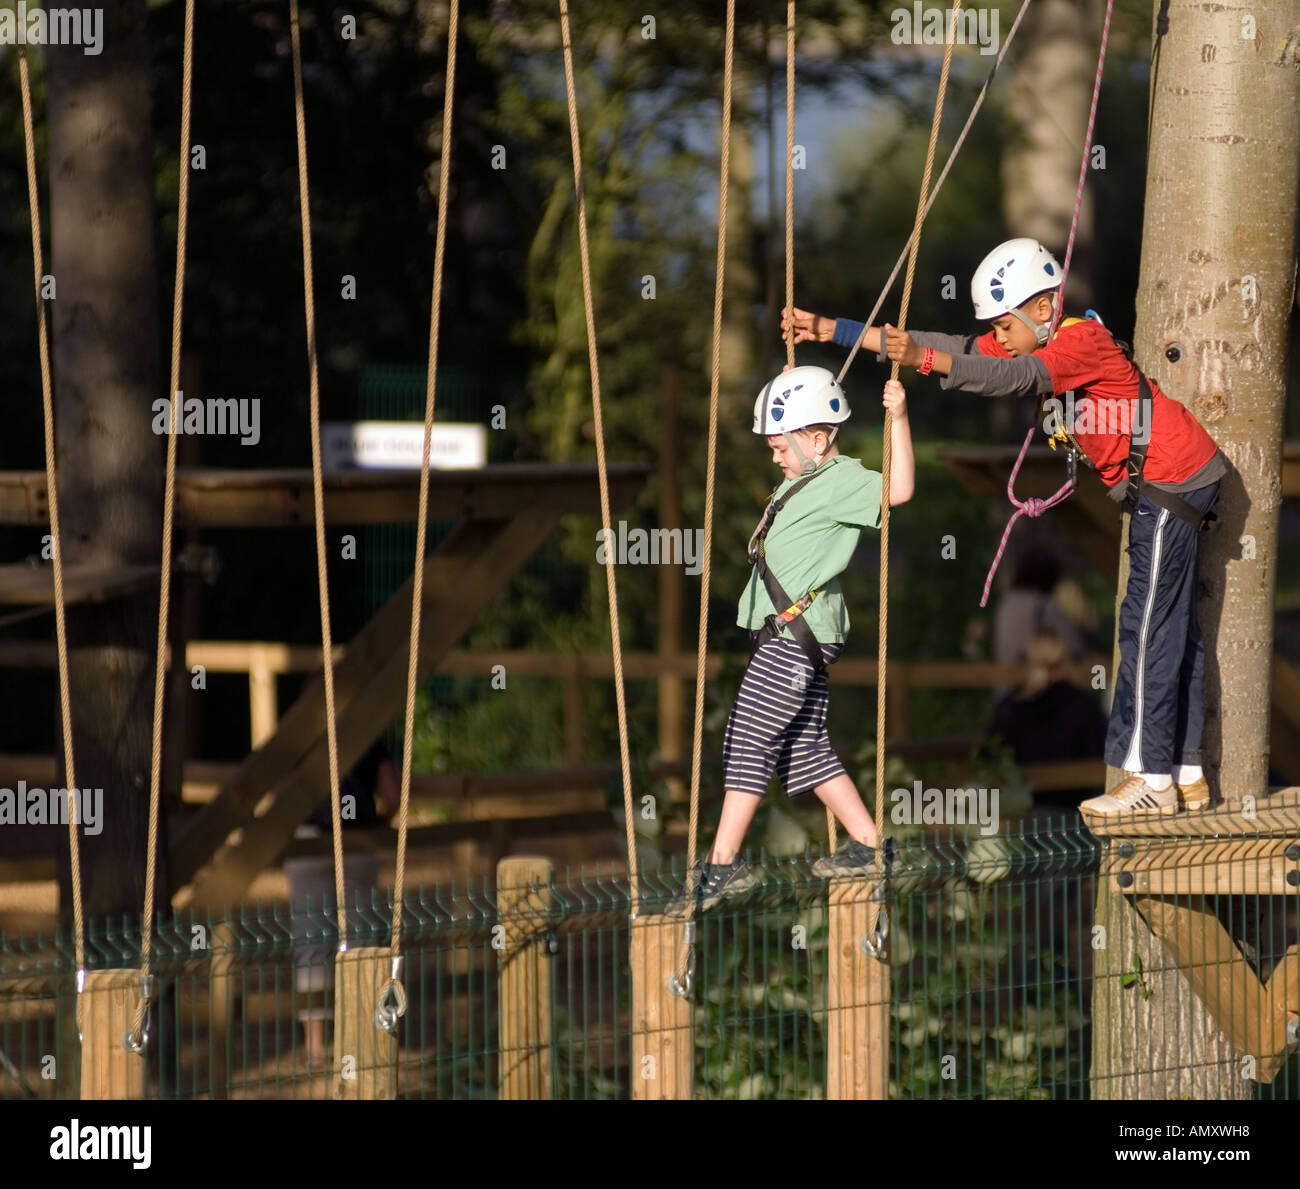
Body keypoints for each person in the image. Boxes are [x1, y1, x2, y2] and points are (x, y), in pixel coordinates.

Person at [784, 236, 1223, 818]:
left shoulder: (1078, 343)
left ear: (1042, 309)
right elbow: (942, 347)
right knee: (1173, 627)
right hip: (1173, 480)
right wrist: (833, 329)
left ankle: (1151, 778)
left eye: (1005, 327)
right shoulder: (1034, 335)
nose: (1000, 341)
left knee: (1144, 629)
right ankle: (1189, 771)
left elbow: (1016, 380)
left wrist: (924, 362)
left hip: (1172, 482)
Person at [668, 366, 915, 916]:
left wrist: (897, 418)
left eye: (781, 446)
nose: (774, 456)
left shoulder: (840, 480)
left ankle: (721, 865)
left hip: (792, 640)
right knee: (804, 750)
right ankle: (870, 845)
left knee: (747, 738)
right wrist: (792, 382)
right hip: (787, 638)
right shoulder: (799, 478)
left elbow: (898, 489)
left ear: (818, 438)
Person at [284, 738, 401, 1065]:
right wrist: (377, 822)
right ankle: (361, 1036)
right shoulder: (369, 740)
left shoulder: (301, 742)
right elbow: (394, 796)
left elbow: (280, 795)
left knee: (311, 945)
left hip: (307, 843)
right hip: (357, 842)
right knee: (360, 942)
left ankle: (315, 1048)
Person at [987, 631, 1107, 809]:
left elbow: (989, 754)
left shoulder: (1011, 705)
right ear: (1065, 662)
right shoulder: (1082, 704)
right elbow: (1101, 752)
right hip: (1072, 811)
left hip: (1017, 808)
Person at [992, 545, 1084, 700]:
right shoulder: (1044, 604)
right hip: (1038, 690)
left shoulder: (1007, 603)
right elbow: (1074, 645)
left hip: (1006, 689)